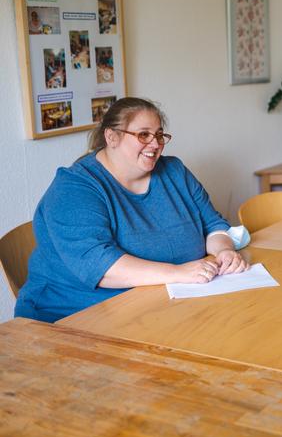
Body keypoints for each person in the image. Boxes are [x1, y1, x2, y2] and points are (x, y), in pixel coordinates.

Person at [15, 97, 246, 323]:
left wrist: (224, 251)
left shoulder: (174, 171)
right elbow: (100, 267)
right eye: (143, 134)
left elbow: (213, 224)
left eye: (158, 134)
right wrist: (179, 273)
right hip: (74, 318)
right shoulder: (73, 188)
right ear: (111, 136)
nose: (155, 144)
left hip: (164, 305)